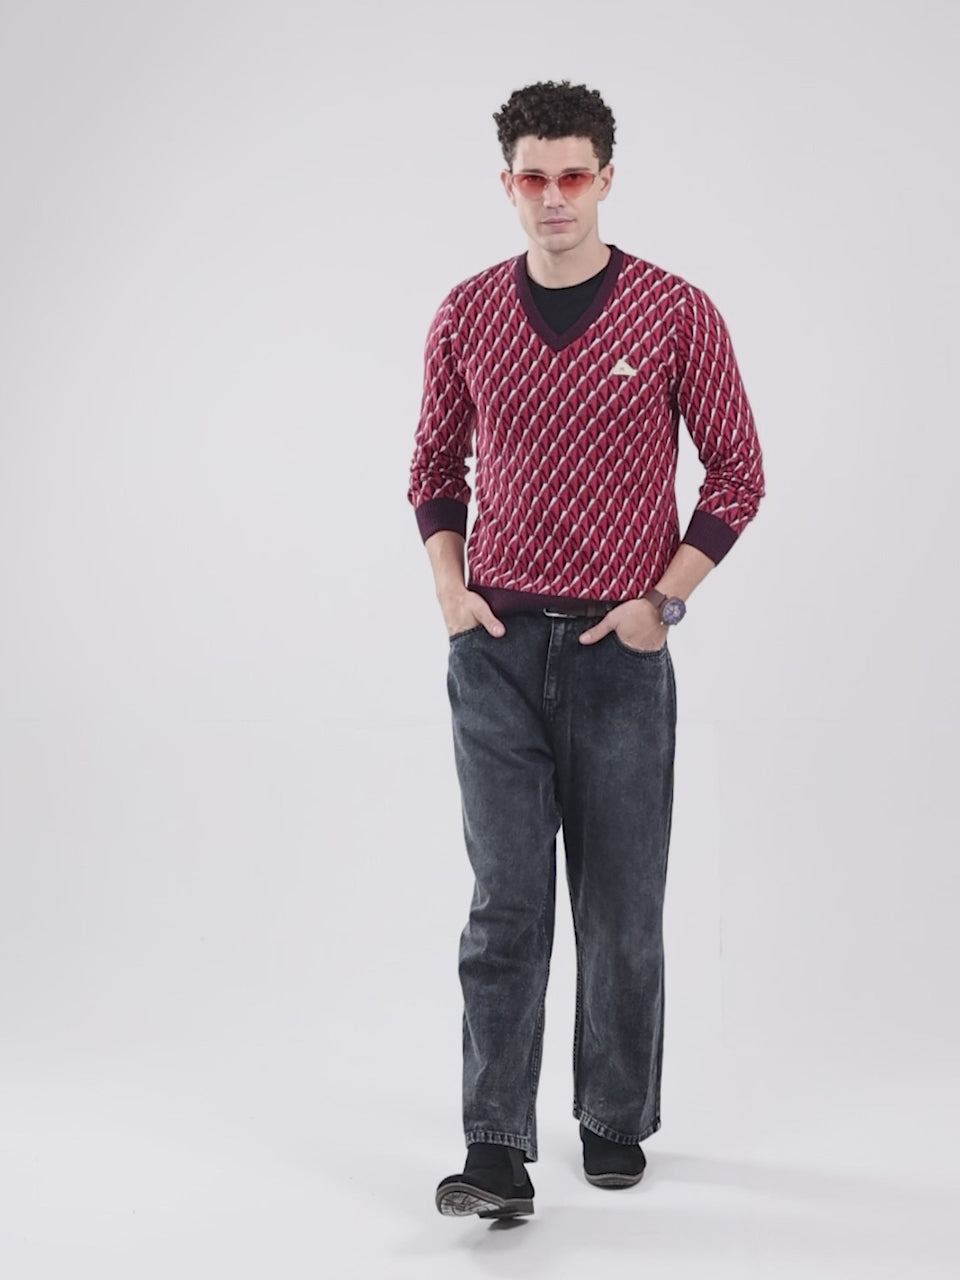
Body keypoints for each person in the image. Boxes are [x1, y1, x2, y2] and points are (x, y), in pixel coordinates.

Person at [406, 79, 765, 1220]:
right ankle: (495, 1149)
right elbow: (433, 467)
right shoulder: (467, 311)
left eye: (573, 174)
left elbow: (738, 472)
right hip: (497, 651)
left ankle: (612, 1114)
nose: (553, 195)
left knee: (619, 906)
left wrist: (665, 602)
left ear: (605, 178)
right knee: (505, 904)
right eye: (533, 176)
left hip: (620, 649)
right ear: (506, 184)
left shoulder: (675, 311)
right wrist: (452, 591)